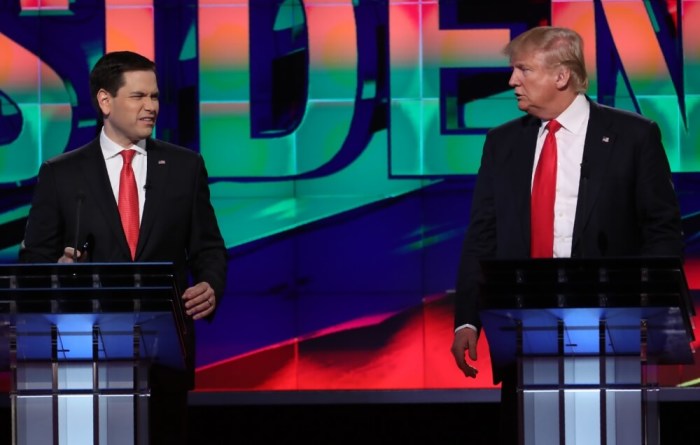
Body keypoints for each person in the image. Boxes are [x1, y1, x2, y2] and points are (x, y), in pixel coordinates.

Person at [450, 26, 683, 444]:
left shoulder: (633, 136)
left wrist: (652, 308)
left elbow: (661, 230)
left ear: (561, 76)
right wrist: (467, 318)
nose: (511, 81)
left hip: (611, 331)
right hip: (525, 331)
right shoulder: (502, 143)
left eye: (523, 69)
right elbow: (482, 236)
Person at [19, 51, 228, 444]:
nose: (151, 107)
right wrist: (58, 271)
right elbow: (34, 262)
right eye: (138, 97)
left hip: (164, 355)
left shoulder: (185, 167)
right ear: (105, 101)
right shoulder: (61, 174)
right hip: (85, 356)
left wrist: (210, 285)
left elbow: (209, 248)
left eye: (155, 96)